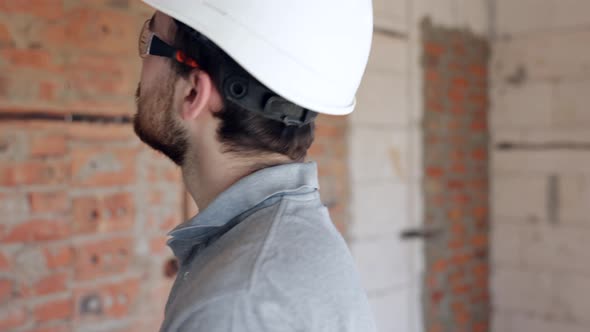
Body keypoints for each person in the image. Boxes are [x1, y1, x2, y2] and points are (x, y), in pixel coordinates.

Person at [133, 0, 376, 330]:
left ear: (192, 93)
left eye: (150, 39)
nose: (143, 60)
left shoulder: (231, 307)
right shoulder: (293, 242)